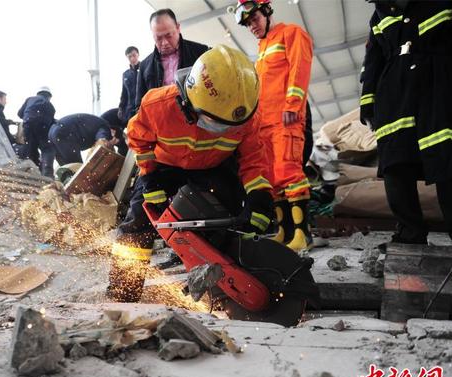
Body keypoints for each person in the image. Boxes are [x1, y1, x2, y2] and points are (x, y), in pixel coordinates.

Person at [108, 45, 274, 303]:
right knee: (138, 222)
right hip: (164, 167)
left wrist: (260, 197)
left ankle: (223, 288)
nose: (216, 131)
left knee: (230, 220)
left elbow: (254, 160)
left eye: (225, 126)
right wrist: (150, 180)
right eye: (211, 122)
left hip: (215, 167)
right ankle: (123, 292)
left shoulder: (247, 117)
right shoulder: (157, 105)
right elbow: (138, 140)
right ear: (187, 100)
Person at [360, 0, 452, 258]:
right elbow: (373, 60)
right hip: (393, 92)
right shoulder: (379, 15)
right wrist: (367, 103)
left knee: (449, 161)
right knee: (395, 167)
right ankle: (409, 236)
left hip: (441, 84)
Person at [234, 0, 314, 251]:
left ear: (267, 12)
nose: (252, 26)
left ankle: (303, 235)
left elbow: (300, 69)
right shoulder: (262, 49)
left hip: (285, 120)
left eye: (254, 19)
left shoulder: (292, 33)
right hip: (265, 125)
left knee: (289, 172)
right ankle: (285, 231)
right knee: (273, 180)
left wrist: (292, 105)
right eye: (247, 24)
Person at [135, 9, 209, 110]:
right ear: (153, 35)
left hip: (195, 119)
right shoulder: (144, 66)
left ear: (178, 28)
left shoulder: (201, 53)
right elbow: (140, 106)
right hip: (161, 122)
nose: (164, 43)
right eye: (158, 38)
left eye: (168, 35)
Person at [46, 113, 120, 176]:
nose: (114, 144)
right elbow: (101, 144)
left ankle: (67, 187)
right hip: (65, 133)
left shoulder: (96, 123)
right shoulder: (105, 127)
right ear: (113, 132)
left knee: (67, 168)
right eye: (115, 141)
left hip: (53, 132)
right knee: (79, 171)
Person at [17, 87, 56, 172]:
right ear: (49, 97)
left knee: (30, 147)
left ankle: (28, 169)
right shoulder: (51, 106)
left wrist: (29, 117)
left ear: (38, 93)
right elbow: (52, 122)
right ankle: (46, 172)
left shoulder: (30, 99)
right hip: (43, 127)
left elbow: (19, 113)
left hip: (28, 125)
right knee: (47, 149)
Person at [118, 46, 140, 125]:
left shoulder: (144, 70)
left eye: (134, 55)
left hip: (142, 109)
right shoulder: (125, 74)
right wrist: (121, 108)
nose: (132, 58)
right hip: (129, 111)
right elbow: (124, 93)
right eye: (129, 56)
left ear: (138, 55)